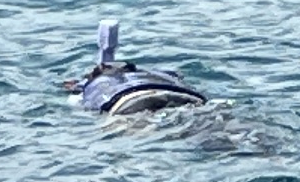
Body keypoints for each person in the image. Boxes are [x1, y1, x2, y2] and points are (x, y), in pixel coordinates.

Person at [67, 22, 206, 118]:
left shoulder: (89, 85)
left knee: (140, 126)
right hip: (180, 96)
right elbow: (179, 76)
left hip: (126, 104)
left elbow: (76, 99)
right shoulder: (157, 74)